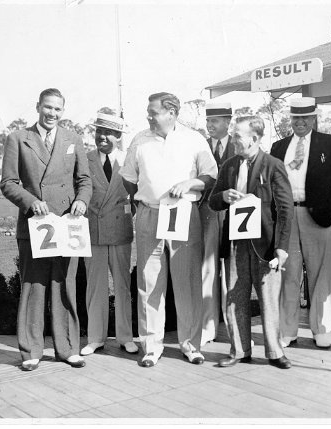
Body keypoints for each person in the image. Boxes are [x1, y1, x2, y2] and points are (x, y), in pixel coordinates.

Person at [119, 92, 217, 367]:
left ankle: (190, 344)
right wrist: (146, 202)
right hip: (150, 215)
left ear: (172, 113)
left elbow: (211, 175)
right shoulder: (140, 140)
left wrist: (189, 184)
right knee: (149, 283)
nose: (149, 116)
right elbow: (128, 178)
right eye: (149, 112)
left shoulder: (193, 139)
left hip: (184, 214)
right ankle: (151, 346)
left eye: (154, 112)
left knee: (186, 281)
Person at [0, 88, 92, 371]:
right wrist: (31, 202)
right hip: (34, 225)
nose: (52, 113)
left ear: (63, 112)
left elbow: (85, 180)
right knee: (33, 287)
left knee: (65, 286)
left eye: (58, 109)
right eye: (48, 107)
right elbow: (8, 183)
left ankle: (67, 348)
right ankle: (31, 350)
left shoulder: (73, 139)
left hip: (66, 226)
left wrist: (80, 201)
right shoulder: (18, 139)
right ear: (37, 106)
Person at [210, 115, 293, 369]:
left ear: (254, 138)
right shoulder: (229, 166)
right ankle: (239, 350)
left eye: (237, 136)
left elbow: (285, 209)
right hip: (236, 244)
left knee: (268, 298)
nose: (233, 140)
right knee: (235, 296)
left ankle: (275, 352)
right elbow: (213, 201)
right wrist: (223, 195)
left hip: (265, 245)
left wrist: (281, 247)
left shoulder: (273, 165)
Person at [271, 97, 331, 349]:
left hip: (319, 218)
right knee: (288, 274)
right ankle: (288, 330)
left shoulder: (329, 143)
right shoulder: (279, 147)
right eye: (296, 118)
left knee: (320, 274)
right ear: (290, 119)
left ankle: (321, 329)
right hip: (287, 217)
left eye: (306, 118)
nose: (300, 123)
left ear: (314, 118)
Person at [80, 111, 138, 357]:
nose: (103, 137)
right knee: (95, 287)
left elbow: (136, 195)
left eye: (110, 133)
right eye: (99, 132)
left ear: (119, 137)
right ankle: (95, 338)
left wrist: (127, 212)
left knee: (123, 286)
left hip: (120, 231)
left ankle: (126, 337)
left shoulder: (128, 160)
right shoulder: (84, 159)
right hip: (92, 231)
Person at [200, 101, 235, 345]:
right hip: (209, 213)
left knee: (232, 274)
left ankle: (235, 329)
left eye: (215, 121)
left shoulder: (239, 145)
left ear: (227, 122)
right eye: (208, 121)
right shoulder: (201, 147)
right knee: (208, 270)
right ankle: (207, 327)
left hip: (235, 216)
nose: (210, 126)